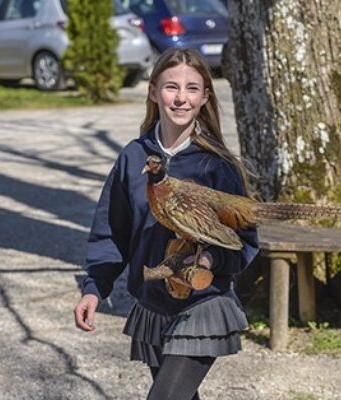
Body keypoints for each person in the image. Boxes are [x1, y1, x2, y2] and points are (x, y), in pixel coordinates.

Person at [73, 48, 258, 400]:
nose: (181, 98)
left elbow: (246, 240)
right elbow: (112, 232)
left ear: (205, 98)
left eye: (192, 88)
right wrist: (94, 288)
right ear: (153, 92)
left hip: (202, 305)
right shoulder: (133, 157)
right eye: (171, 86)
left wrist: (209, 260)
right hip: (152, 306)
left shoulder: (216, 165)